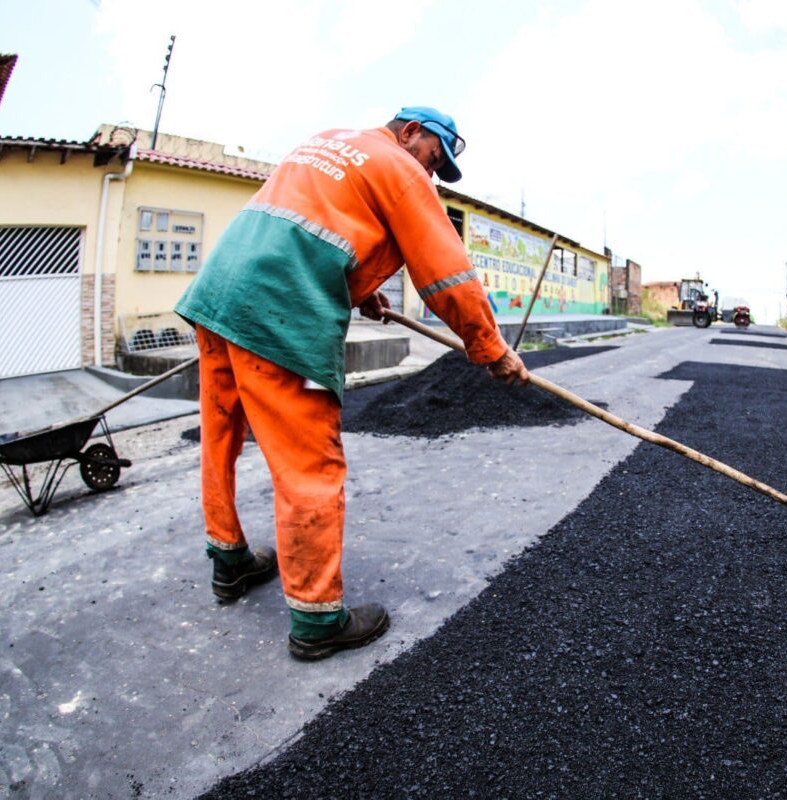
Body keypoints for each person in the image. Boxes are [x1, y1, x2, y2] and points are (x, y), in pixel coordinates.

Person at [175, 106, 529, 661]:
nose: (432, 175)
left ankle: (229, 564)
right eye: (435, 160)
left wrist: (361, 288)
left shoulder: (328, 141)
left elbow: (313, 228)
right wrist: (490, 349)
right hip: (279, 314)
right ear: (411, 132)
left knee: (219, 437)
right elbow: (447, 272)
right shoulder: (400, 167)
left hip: (219, 297)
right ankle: (317, 621)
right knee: (310, 465)